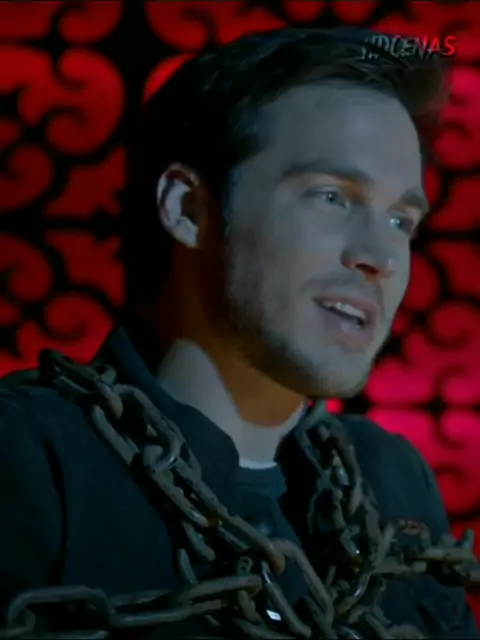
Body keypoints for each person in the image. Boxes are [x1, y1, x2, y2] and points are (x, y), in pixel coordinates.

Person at [0, 27, 478, 639]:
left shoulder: (393, 482)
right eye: (332, 197)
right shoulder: (33, 462)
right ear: (187, 210)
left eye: (400, 220)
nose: (380, 257)